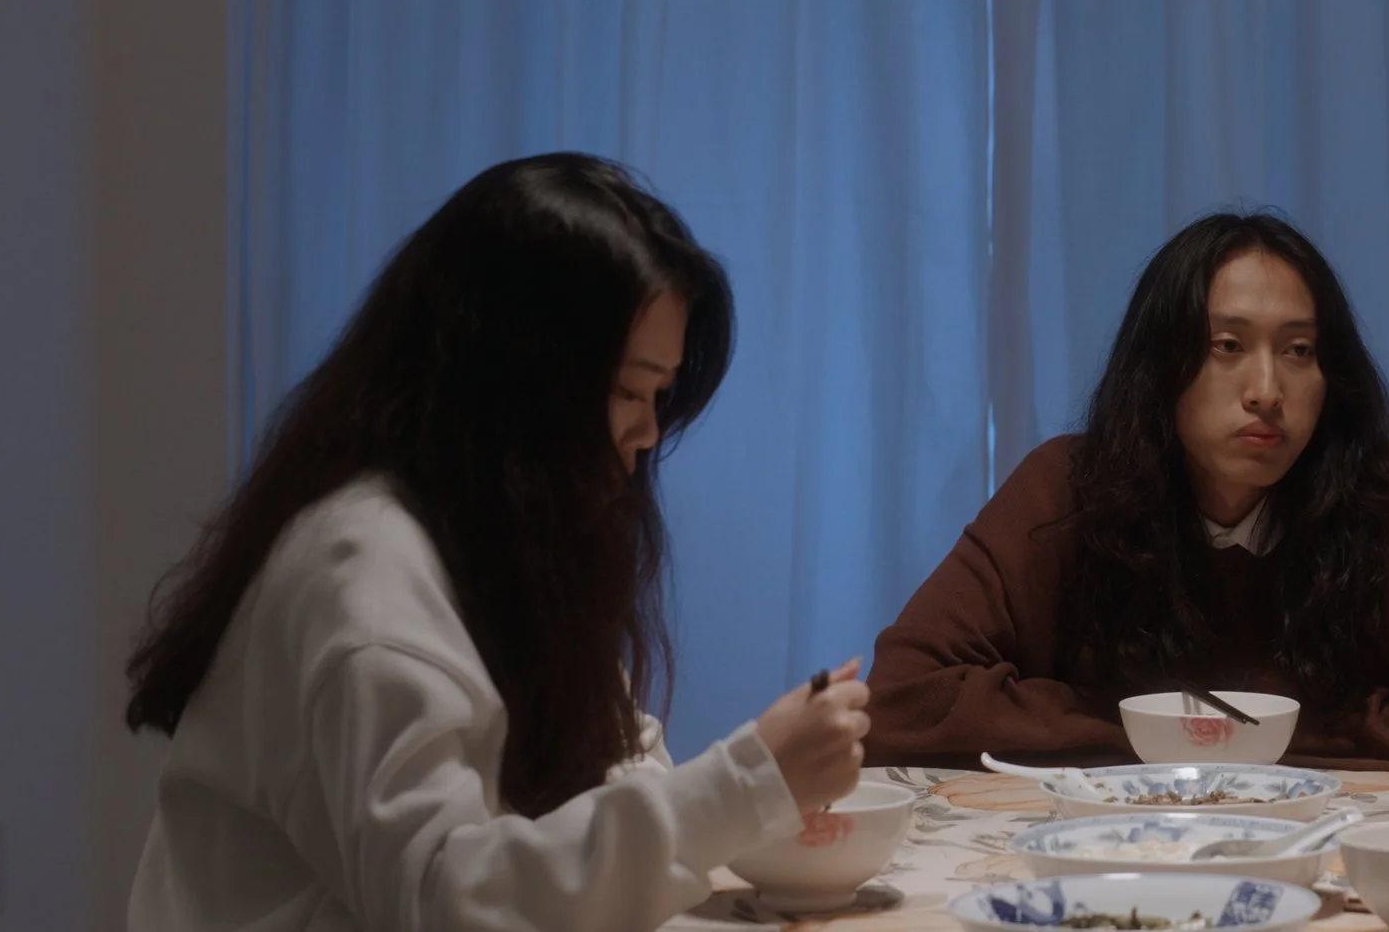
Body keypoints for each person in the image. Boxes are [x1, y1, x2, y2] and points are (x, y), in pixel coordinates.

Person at [123, 153, 872, 932]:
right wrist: (748, 783)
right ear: (522, 379)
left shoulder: (498, 535)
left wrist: (753, 788)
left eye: (658, 395)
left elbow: (605, 760)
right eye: (626, 390)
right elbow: (446, 899)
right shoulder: (365, 577)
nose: (648, 432)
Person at [864, 212, 1389, 772]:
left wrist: (1273, 736)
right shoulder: (1067, 490)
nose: (1267, 391)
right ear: (1161, 367)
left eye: (1299, 351)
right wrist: (1170, 736)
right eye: (1228, 347)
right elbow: (904, 697)